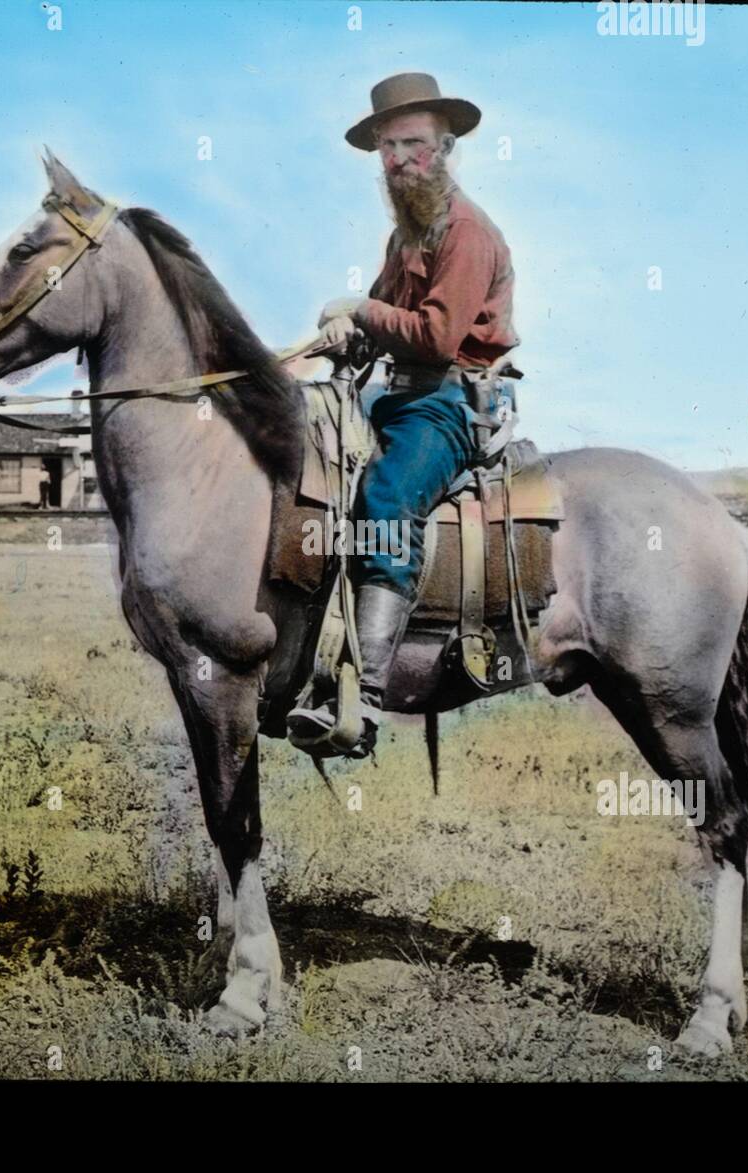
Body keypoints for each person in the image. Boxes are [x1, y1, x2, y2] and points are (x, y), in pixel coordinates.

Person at [288, 72, 520, 757]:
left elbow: (439, 337)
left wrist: (360, 311)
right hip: (396, 390)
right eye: (387, 148)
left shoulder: (468, 232)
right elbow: (387, 325)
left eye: (412, 144)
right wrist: (350, 334)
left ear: (444, 147)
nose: (398, 160)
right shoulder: (406, 238)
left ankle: (366, 699)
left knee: (387, 496)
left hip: (450, 401)